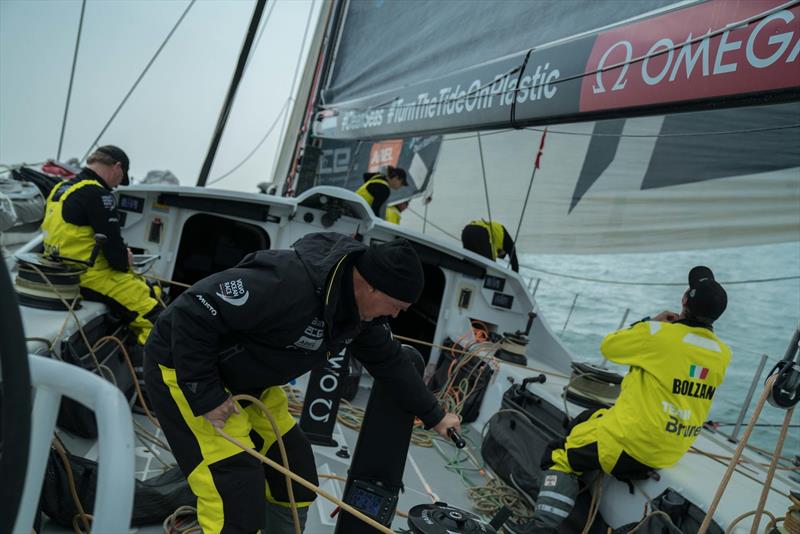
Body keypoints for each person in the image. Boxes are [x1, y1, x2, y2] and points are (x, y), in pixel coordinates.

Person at [144, 233, 461, 534]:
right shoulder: (287, 281)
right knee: (236, 493)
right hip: (186, 372)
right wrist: (208, 397)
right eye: (396, 307)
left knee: (294, 474)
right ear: (373, 288)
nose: (393, 316)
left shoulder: (359, 316)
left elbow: (391, 362)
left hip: (249, 384)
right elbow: (194, 310)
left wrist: (435, 416)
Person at [527, 266, 731, 531]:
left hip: (632, 443)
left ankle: (540, 528)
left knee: (560, 454)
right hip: (671, 449)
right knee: (589, 418)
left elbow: (609, 347)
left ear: (684, 301)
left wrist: (651, 323)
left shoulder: (658, 335)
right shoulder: (722, 353)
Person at [41, 145, 163, 345]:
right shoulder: (99, 194)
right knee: (159, 321)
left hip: (56, 272)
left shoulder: (60, 189)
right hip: (89, 276)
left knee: (151, 290)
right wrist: (126, 259)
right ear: (117, 167)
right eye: (120, 179)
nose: (116, 186)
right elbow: (115, 256)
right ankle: (158, 373)